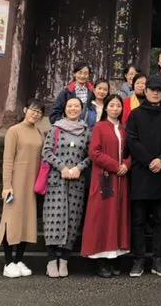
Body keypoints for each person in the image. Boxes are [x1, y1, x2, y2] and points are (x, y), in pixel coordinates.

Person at [127, 74, 161, 277]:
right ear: (145, 91)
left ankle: (158, 259)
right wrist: (149, 160)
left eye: (159, 90)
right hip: (141, 172)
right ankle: (139, 259)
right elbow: (132, 141)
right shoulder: (135, 114)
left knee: (160, 219)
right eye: (152, 89)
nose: (156, 93)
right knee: (138, 219)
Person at [81, 94, 131, 277]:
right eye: (112, 105)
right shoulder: (100, 127)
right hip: (105, 177)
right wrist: (115, 166)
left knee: (118, 215)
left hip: (122, 179)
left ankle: (114, 257)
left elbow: (130, 152)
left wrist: (127, 165)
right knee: (103, 215)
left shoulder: (124, 129)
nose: (115, 109)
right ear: (106, 108)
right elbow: (94, 152)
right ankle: (101, 260)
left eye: (118, 106)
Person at [42, 97, 90, 278]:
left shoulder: (86, 131)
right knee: (52, 220)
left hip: (77, 181)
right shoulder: (56, 128)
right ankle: (51, 261)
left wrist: (79, 168)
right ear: (65, 109)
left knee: (72, 221)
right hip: (56, 180)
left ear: (81, 109)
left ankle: (64, 260)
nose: (73, 109)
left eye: (76, 106)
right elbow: (46, 151)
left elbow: (91, 155)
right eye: (70, 106)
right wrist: (62, 167)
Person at [0, 101, 44, 278]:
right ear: (25, 110)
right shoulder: (14, 131)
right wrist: (7, 185)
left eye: (39, 112)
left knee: (27, 221)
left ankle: (18, 260)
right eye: (33, 110)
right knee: (10, 221)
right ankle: (8, 262)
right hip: (16, 183)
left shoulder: (39, 133)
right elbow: (8, 159)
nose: (35, 114)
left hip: (32, 184)